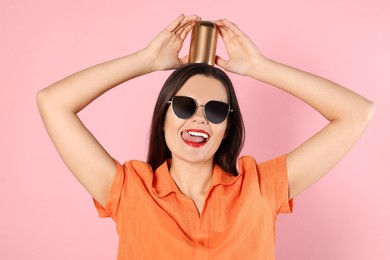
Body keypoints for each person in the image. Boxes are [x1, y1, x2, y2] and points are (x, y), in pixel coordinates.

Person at [36, 14, 374, 259]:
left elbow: (357, 113)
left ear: (227, 126)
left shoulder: (260, 188)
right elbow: (52, 102)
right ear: (163, 116)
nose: (199, 118)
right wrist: (146, 60)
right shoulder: (128, 190)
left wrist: (259, 67)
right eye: (184, 106)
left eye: (214, 110)